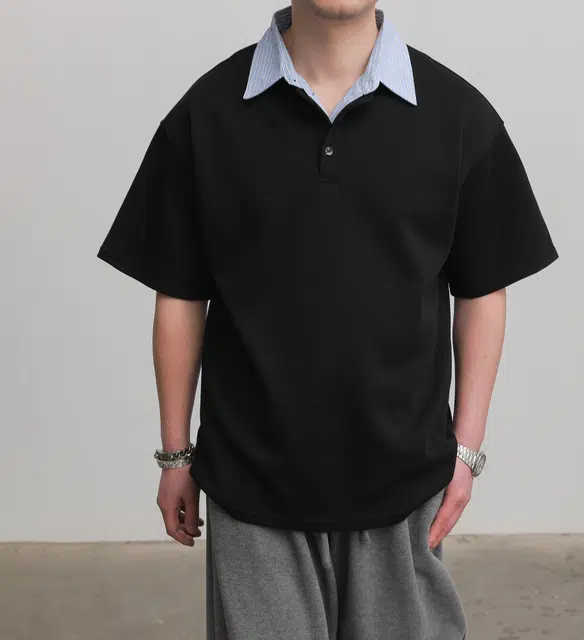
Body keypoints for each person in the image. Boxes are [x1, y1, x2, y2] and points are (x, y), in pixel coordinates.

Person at [96, 1, 559, 638]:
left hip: (405, 483)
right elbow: (179, 293)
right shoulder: (207, 114)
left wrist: (467, 450)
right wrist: (175, 454)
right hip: (252, 483)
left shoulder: (458, 115)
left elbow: (482, 288)